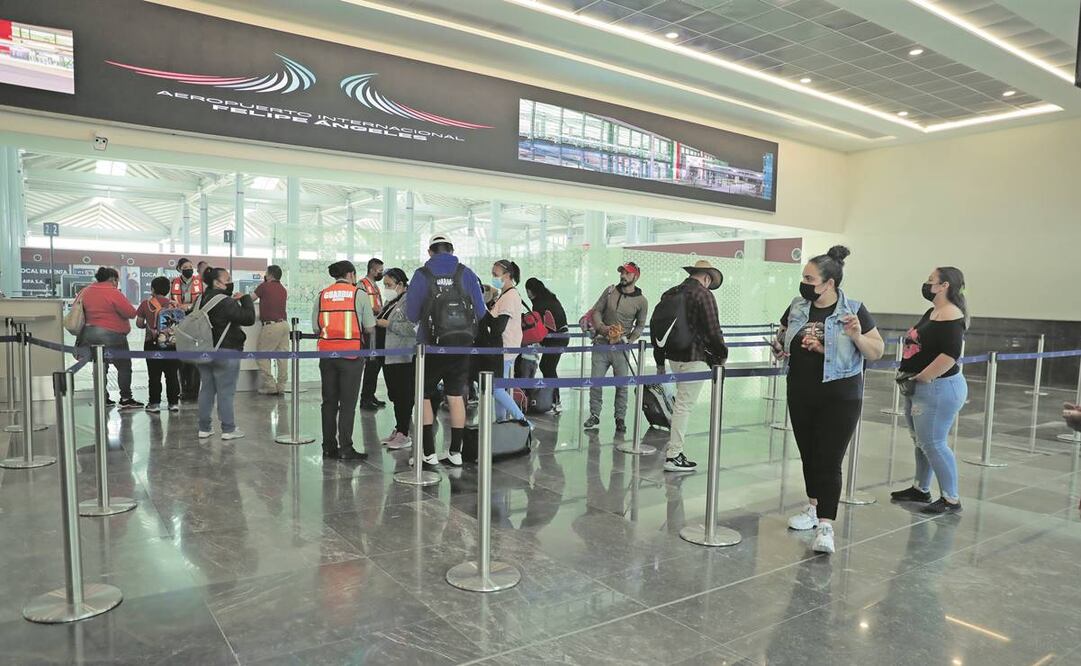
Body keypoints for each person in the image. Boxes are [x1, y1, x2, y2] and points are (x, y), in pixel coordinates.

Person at [773, 246, 884, 555]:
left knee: (829, 459)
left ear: (829, 283)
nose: (804, 283)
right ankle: (812, 507)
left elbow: (876, 352)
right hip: (801, 390)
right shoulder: (797, 306)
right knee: (808, 454)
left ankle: (826, 525)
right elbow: (784, 336)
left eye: (810, 278)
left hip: (840, 395)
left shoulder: (854, 309)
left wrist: (856, 336)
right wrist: (781, 346)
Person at [890, 267, 969, 515]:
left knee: (934, 442)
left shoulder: (951, 315)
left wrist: (924, 376)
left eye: (931, 281)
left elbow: (950, 354)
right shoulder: (933, 311)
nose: (927, 284)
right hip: (919, 387)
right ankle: (921, 488)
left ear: (944, 286)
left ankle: (951, 499)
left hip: (937, 388)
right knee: (921, 441)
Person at [404, 235, 487, 467]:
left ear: (430, 252)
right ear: (452, 250)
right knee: (455, 395)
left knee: (424, 396)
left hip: (429, 347)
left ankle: (428, 453)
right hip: (461, 346)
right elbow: (480, 312)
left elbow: (411, 314)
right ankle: (455, 452)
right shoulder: (466, 273)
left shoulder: (422, 274)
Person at [653, 260, 729, 473]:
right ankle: (674, 454)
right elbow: (713, 329)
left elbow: (657, 327)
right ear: (706, 277)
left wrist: (659, 360)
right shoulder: (703, 295)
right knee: (684, 406)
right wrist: (721, 356)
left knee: (680, 403)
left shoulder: (670, 293)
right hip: (695, 357)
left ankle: (674, 452)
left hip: (673, 356)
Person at [312, 260, 375, 460]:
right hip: (351, 355)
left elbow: (316, 327)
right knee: (348, 403)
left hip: (327, 355)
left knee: (329, 402)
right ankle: (346, 447)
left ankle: (328, 447)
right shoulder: (359, 294)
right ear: (351, 274)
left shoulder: (322, 295)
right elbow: (369, 327)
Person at [585, 262, 649, 433]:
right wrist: (601, 328)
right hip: (601, 343)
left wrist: (631, 339)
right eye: (622, 272)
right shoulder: (610, 291)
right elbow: (597, 310)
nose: (623, 275)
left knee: (622, 385)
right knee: (595, 382)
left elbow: (641, 324)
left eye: (627, 273)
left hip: (622, 347)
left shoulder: (642, 301)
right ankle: (594, 414)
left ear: (635, 276)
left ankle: (620, 418)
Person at [197, 267, 255, 441]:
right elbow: (248, 318)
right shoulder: (225, 301)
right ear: (217, 282)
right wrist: (245, 299)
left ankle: (204, 428)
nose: (230, 282)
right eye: (227, 278)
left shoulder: (201, 298)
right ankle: (228, 429)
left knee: (206, 390)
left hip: (205, 351)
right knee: (226, 391)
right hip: (226, 350)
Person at [77, 267, 141, 409]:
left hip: (89, 335)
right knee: (124, 367)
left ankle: (102, 397)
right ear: (113, 279)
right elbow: (131, 312)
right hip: (112, 335)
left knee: (100, 366)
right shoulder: (112, 292)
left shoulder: (85, 291)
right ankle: (125, 398)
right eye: (117, 280)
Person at [486, 260, 531, 426]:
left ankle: (522, 420)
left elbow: (498, 327)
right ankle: (501, 421)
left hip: (504, 349)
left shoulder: (510, 296)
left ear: (508, 276)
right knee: (499, 387)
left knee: (495, 388)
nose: (493, 278)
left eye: (496, 275)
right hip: (504, 348)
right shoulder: (505, 295)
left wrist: (485, 314)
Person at [377, 268, 416, 450]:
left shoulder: (409, 301)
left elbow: (412, 327)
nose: (386, 288)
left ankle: (404, 433)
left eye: (389, 285)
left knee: (403, 396)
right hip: (389, 356)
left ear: (400, 284)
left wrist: (388, 324)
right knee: (395, 395)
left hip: (403, 356)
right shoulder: (392, 301)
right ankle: (399, 429)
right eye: (384, 285)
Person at [135, 276, 181, 413]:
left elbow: (138, 323)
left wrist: (149, 327)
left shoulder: (146, 304)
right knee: (172, 375)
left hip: (152, 343)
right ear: (167, 290)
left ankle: (154, 404)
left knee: (154, 375)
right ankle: (173, 403)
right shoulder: (173, 304)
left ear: (153, 289)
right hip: (172, 345)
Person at [525, 277, 568, 413]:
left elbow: (540, 326)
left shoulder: (539, 304)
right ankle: (554, 400)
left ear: (531, 291)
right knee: (547, 367)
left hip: (555, 339)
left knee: (548, 367)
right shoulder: (550, 298)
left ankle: (556, 400)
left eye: (528, 291)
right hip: (562, 336)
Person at [251, 264, 289, 395]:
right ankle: (282, 386)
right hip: (284, 325)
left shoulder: (264, 286)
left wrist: (240, 297)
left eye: (266, 273)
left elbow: (251, 299)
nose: (265, 275)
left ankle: (271, 386)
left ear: (270, 275)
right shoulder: (283, 289)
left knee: (262, 355)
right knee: (282, 357)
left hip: (271, 326)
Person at [171, 257, 204, 401]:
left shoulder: (199, 282)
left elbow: (201, 302)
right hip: (181, 325)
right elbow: (173, 303)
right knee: (182, 361)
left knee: (196, 360)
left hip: (196, 324)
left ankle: (194, 392)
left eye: (191, 267)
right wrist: (183, 307)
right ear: (179, 269)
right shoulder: (175, 283)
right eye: (185, 267)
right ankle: (184, 390)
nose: (189, 269)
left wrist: (188, 307)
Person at [359, 257, 386, 411]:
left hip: (377, 327)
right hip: (369, 329)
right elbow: (362, 306)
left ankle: (371, 394)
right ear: (372, 270)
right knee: (371, 364)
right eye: (379, 271)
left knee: (375, 364)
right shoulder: (363, 285)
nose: (381, 273)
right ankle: (365, 398)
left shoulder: (374, 285)